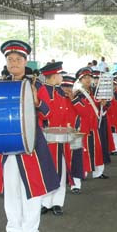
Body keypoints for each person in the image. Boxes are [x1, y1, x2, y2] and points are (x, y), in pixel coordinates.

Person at [0, 40, 60, 232]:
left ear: (25, 62)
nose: (14, 63)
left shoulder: (36, 84)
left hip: (31, 146)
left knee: (32, 189)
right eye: (10, 60)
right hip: (6, 146)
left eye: (18, 59)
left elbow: (49, 113)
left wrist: (38, 102)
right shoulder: (1, 84)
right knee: (11, 190)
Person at [37, 62, 71, 216]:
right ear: (54, 76)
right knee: (47, 169)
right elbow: (44, 114)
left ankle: (57, 202)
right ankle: (46, 202)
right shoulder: (42, 91)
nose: (62, 77)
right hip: (47, 137)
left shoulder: (60, 92)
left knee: (61, 170)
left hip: (61, 136)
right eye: (60, 74)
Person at [72, 67, 109, 189]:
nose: (88, 80)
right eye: (85, 78)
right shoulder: (78, 94)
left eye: (89, 77)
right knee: (81, 153)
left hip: (93, 126)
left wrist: (102, 104)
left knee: (97, 150)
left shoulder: (94, 92)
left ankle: (98, 172)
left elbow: (99, 108)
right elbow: (82, 111)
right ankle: (78, 179)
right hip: (83, 127)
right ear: (80, 80)